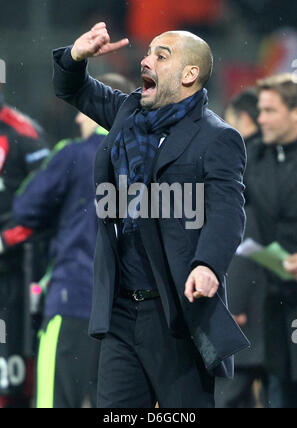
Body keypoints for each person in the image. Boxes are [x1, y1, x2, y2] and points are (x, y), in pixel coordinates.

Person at [52, 22, 249, 408]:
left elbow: (227, 209)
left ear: (190, 74)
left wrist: (208, 264)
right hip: (120, 310)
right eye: (148, 53)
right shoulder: (129, 112)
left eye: (162, 56)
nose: (147, 60)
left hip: (176, 311)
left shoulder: (217, 137)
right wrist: (77, 56)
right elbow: (71, 87)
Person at [1, 74, 135, 408]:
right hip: (131, 309)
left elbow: (27, 206)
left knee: (55, 401)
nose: (77, 117)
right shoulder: (149, 157)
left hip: (74, 297)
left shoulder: (74, 154)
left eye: (82, 109)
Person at [244, 74, 297, 408]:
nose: (260, 118)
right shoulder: (253, 157)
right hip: (277, 302)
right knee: (279, 392)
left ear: (296, 113)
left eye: (269, 110)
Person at [216, 88, 268, 408]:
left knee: (228, 397)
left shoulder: (241, 167)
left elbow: (240, 243)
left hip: (246, 309)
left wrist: (232, 301)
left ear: (243, 121)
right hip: (274, 313)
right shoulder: (278, 163)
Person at [0, 85, 49, 408]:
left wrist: (4, 240)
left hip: (11, 275)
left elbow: (46, 203)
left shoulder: (25, 135)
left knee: (11, 377)